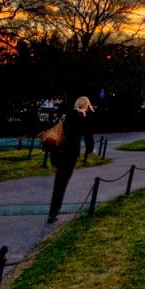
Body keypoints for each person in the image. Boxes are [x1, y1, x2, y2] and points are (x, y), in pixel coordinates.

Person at [47, 96, 95, 224]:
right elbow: (88, 136)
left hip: (58, 153)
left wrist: (53, 159)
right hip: (71, 154)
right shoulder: (83, 118)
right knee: (63, 182)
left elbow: (58, 135)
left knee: (58, 184)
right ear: (86, 105)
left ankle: (53, 212)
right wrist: (90, 149)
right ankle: (54, 211)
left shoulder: (66, 116)